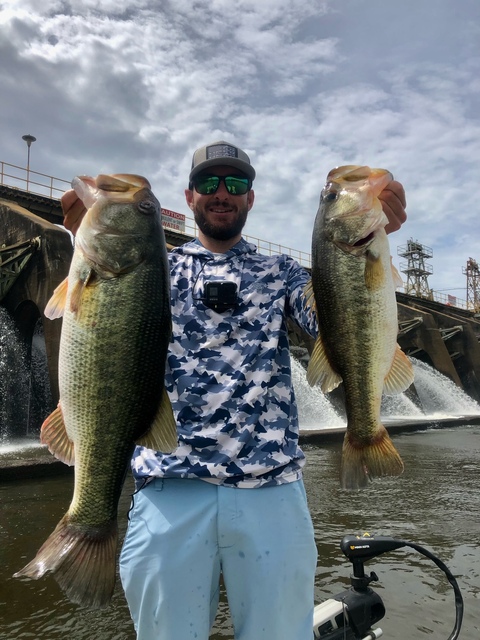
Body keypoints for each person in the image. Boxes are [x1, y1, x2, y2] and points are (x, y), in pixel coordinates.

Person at [61, 141, 407, 640]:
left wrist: (376, 235)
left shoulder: (283, 274)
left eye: (236, 184)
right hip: (170, 486)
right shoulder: (154, 268)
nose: (222, 193)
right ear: (190, 195)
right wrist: (82, 234)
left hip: (272, 490)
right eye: (209, 183)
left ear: (250, 199)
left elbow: (339, 324)